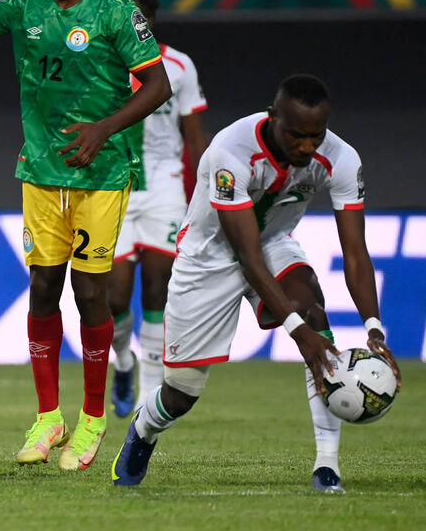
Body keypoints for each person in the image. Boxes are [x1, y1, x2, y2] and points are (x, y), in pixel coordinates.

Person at [111, 74, 402, 493]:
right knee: (181, 394)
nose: (306, 147)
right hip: (210, 257)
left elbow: (355, 253)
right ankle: (144, 429)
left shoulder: (341, 160)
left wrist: (374, 328)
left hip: (274, 244)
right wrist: (297, 334)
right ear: (272, 116)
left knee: (312, 309)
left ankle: (327, 466)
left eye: (315, 136)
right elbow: (244, 257)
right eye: (296, 135)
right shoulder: (230, 152)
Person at [0, 0, 171, 470]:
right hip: (39, 172)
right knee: (41, 290)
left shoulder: (116, 13)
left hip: (101, 176)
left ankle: (93, 419)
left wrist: (104, 130)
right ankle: (47, 417)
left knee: (90, 295)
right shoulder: (26, 2)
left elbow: (156, 87)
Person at [105, 0, 208, 418]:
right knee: (114, 296)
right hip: (111, 187)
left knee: (156, 288)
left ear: (151, 22)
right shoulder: (97, 60)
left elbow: (196, 138)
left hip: (165, 187)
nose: (134, 24)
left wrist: (205, 197)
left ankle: (149, 389)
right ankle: (123, 362)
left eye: (140, 17)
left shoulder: (179, 67)